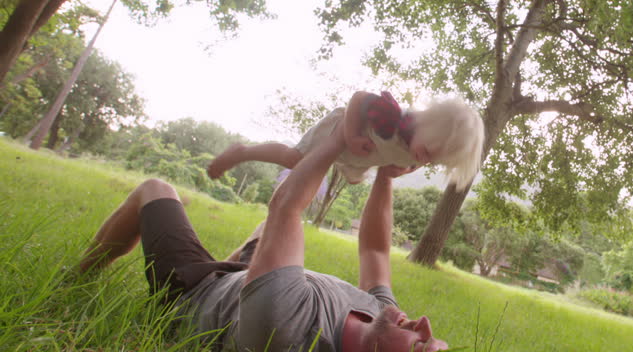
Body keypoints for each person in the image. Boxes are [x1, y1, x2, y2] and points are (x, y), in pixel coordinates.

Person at [78, 122, 449, 352]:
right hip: (246, 282)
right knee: (266, 237)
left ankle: (78, 275)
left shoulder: (287, 332)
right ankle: (244, 271)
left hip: (194, 290)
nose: (424, 324)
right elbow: (375, 253)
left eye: (420, 347)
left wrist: (338, 137)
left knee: (155, 190)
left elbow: (285, 207)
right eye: (433, 340)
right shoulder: (381, 316)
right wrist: (385, 175)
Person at [207, 91, 484, 190]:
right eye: (427, 152)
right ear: (426, 125)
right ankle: (242, 152)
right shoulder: (391, 118)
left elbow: (414, 161)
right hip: (341, 130)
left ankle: (347, 166)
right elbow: (359, 98)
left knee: (353, 178)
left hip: (358, 155)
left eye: (434, 161)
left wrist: (403, 169)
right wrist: (351, 135)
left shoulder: (421, 149)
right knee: (295, 160)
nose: (425, 160)